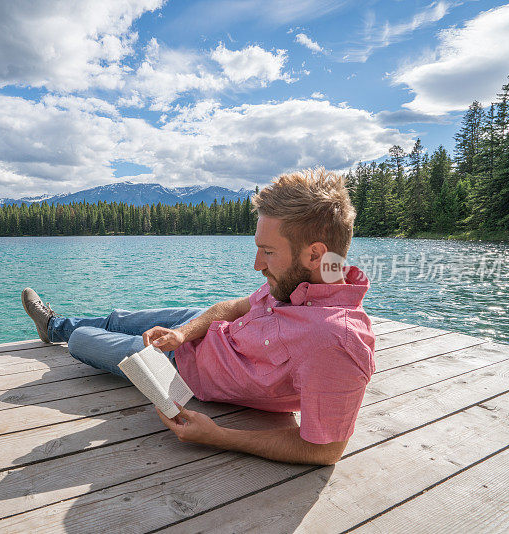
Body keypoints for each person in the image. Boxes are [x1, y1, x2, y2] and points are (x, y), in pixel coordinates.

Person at [21, 167, 375, 466]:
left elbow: (326, 449)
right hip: (200, 330)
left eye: (267, 252)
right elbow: (235, 308)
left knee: (82, 341)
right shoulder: (307, 279)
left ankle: (59, 330)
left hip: (186, 369)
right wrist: (184, 333)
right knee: (118, 317)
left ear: (314, 255)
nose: (257, 265)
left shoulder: (336, 342)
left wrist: (219, 437)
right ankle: (55, 324)